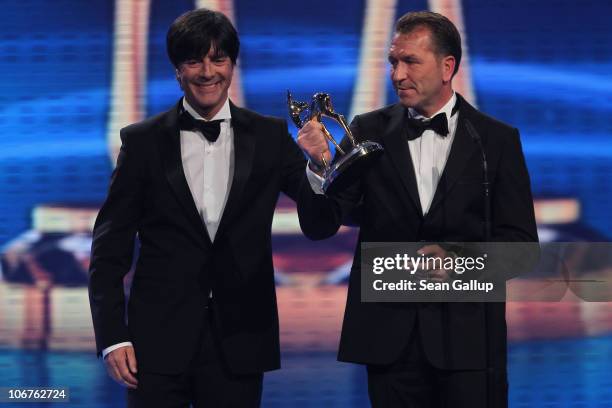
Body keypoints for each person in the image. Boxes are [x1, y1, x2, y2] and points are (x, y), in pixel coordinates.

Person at [297, 11, 538, 408]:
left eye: (410, 61)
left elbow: (523, 247)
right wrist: (317, 166)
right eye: (393, 61)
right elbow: (322, 224)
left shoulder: (496, 141)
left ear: (447, 67)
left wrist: (460, 263)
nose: (397, 74)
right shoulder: (366, 130)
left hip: (469, 345)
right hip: (390, 343)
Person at [88, 8, 316, 407]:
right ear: (178, 70)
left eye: (218, 59)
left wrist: (320, 164)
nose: (207, 72)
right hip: (154, 347)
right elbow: (109, 249)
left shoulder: (270, 135)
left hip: (241, 342)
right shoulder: (142, 142)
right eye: (194, 60)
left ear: (232, 65)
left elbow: (320, 220)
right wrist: (112, 337)